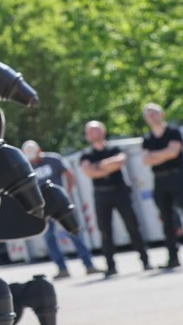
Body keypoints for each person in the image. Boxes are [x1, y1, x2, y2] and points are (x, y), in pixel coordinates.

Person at [78, 120, 149, 276]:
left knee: (133, 226)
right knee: (105, 232)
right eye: (90, 131)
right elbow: (89, 171)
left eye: (96, 130)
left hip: (120, 191)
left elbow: (119, 161)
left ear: (103, 131)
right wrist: (107, 167)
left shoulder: (114, 148)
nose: (93, 133)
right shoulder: (86, 154)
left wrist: (98, 166)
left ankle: (145, 261)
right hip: (101, 194)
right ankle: (110, 266)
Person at [21, 140, 100, 278]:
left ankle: (89, 265)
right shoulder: (26, 166)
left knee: (74, 232)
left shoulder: (53, 159)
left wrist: (66, 193)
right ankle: (62, 268)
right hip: (42, 207)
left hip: (59, 203)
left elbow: (69, 175)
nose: (33, 159)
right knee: (49, 238)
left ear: (39, 150)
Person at [140, 103, 182, 270]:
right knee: (166, 219)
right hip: (160, 181)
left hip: (178, 177)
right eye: (148, 115)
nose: (151, 117)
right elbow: (145, 160)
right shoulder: (147, 138)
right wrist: (164, 153)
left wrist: (155, 156)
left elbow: (174, 152)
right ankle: (173, 258)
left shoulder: (173, 132)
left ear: (162, 114)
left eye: (154, 113)